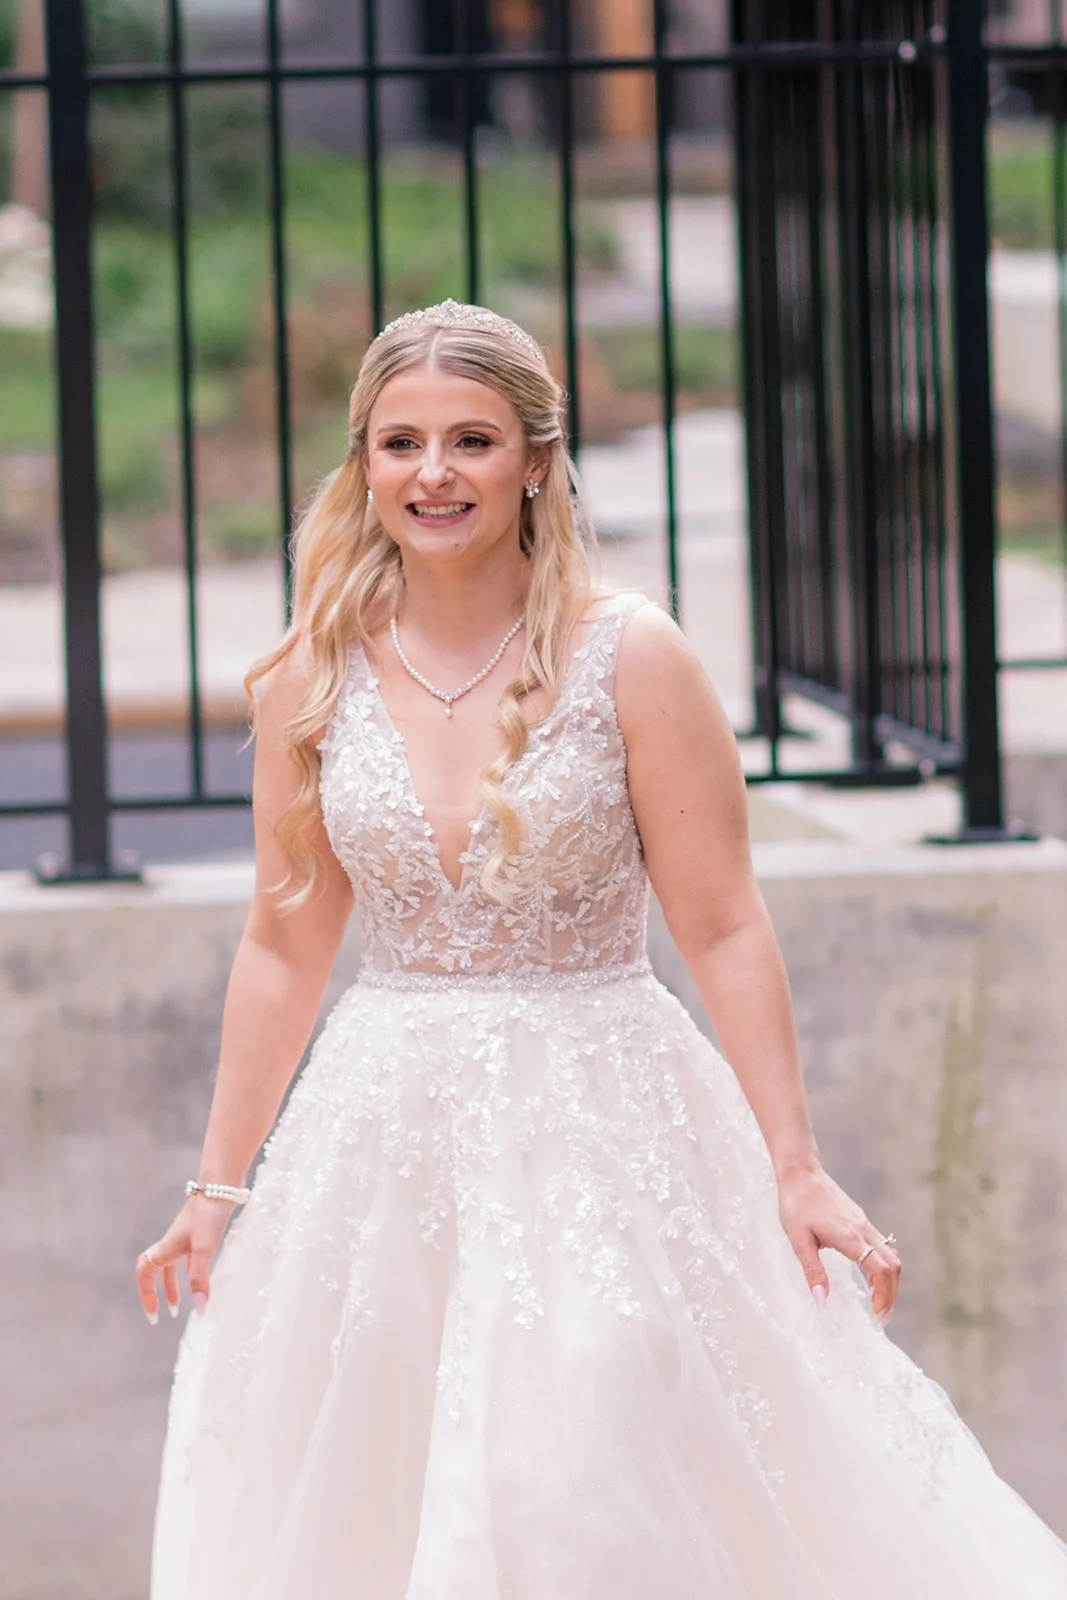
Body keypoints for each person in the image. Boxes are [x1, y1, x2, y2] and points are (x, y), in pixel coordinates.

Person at [136, 300, 1067, 1598]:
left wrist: (793, 1168)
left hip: (603, 1120)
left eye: (471, 439)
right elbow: (284, 947)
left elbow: (724, 923)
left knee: (580, 1454)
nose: (434, 474)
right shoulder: (310, 675)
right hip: (380, 1136)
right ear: (363, 465)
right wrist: (216, 1185)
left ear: (533, 458)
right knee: (378, 1473)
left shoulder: (632, 656)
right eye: (399, 444)